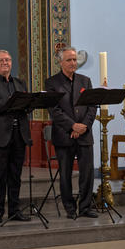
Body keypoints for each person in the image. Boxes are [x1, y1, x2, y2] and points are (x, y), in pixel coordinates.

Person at [44, 47, 98, 219]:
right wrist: (72, 126)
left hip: (84, 134)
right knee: (65, 174)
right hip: (64, 135)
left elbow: (92, 107)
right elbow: (55, 110)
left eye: (75, 60)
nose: (73, 63)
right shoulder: (52, 83)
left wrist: (83, 126)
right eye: (69, 60)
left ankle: (85, 207)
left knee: (87, 173)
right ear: (60, 62)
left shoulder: (85, 81)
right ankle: (70, 208)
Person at [0, 50, 32, 223]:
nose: (5, 63)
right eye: (1, 60)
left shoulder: (20, 82)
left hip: (19, 134)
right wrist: (10, 103)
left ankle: (14, 210)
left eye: (8, 60)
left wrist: (29, 104)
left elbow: (26, 106)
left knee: (15, 176)